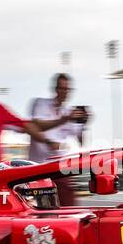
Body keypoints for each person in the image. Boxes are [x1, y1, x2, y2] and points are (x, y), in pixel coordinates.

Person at [28, 73, 89, 206]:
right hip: (39, 168)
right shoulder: (40, 103)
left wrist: (84, 124)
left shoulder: (69, 111)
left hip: (61, 168)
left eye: (67, 89)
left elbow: (81, 141)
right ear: (55, 89)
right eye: (61, 88)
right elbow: (37, 125)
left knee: (68, 207)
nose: (64, 92)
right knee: (42, 209)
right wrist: (65, 119)